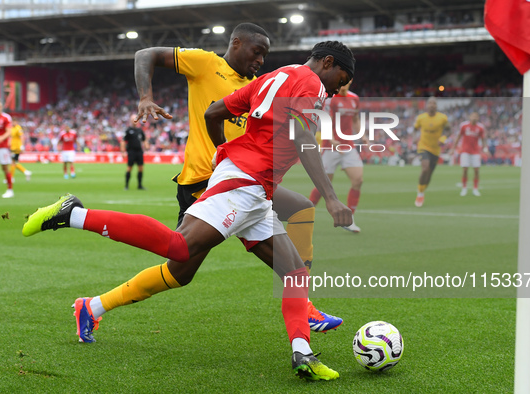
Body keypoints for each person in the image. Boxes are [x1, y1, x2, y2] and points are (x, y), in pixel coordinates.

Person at [23, 41, 355, 381]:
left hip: (256, 188)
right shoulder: (311, 83)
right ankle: (72, 214)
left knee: (293, 274)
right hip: (245, 182)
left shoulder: (272, 77)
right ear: (327, 63)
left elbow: (215, 112)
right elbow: (302, 136)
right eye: (338, 80)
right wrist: (329, 196)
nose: (334, 90)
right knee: (179, 248)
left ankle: (303, 355)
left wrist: (222, 153)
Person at [133, 23, 342, 331]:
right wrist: (145, 96)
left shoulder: (260, 84)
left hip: (242, 179)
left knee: (299, 210)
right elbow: (144, 54)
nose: (260, 61)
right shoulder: (206, 63)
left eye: (265, 56)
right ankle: (94, 291)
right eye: (257, 52)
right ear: (236, 43)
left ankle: (305, 311)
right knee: (179, 266)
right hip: (203, 180)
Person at [308, 79, 363, 233]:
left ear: (351, 81)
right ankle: (304, 214)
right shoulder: (331, 99)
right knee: (323, 185)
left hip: (348, 146)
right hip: (330, 147)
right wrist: (331, 139)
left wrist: (363, 135)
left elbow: (356, 119)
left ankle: (349, 220)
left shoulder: (354, 99)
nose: (344, 84)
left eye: (347, 81)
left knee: (358, 180)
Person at [413, 97, 449, 207]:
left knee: (429, 173)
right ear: (427, 105)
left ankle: (422, 191)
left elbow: (449, 129)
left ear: (436, 106)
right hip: (423, 146)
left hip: (436, 149)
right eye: (430, 103)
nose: (432, 105)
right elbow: (415, 129)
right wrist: (415, 137)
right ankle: (419, 193)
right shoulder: (421, 118)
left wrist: (443, 138)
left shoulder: (442, 118)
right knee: (425, 168)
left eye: (434, 103)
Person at [451, 112, 487, 196]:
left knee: (476, 170)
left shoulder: (480, 127)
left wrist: (485, 149)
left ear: (478, 118)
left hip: (475, 152)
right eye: (473, 116)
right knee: (465, 169)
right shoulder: (464, 126)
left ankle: (475, 188)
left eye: (476, 116)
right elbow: (458, 137)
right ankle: (464, 188)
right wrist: (453, 148)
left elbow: (483, 139)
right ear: (469, 117)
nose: (474, 118)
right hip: (465, 151)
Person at [121, 117, 148, 190]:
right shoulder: (128, 130)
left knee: (141, 168)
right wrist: (123, 151)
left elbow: (144, 139)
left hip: (139, 151)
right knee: (129, 168)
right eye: (133, 120)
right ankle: (126, 185)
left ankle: (139, 185)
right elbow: (123, 141)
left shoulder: (140, 130)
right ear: (131, 121)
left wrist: (146, 147)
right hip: (131, 151)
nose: (135, 121)